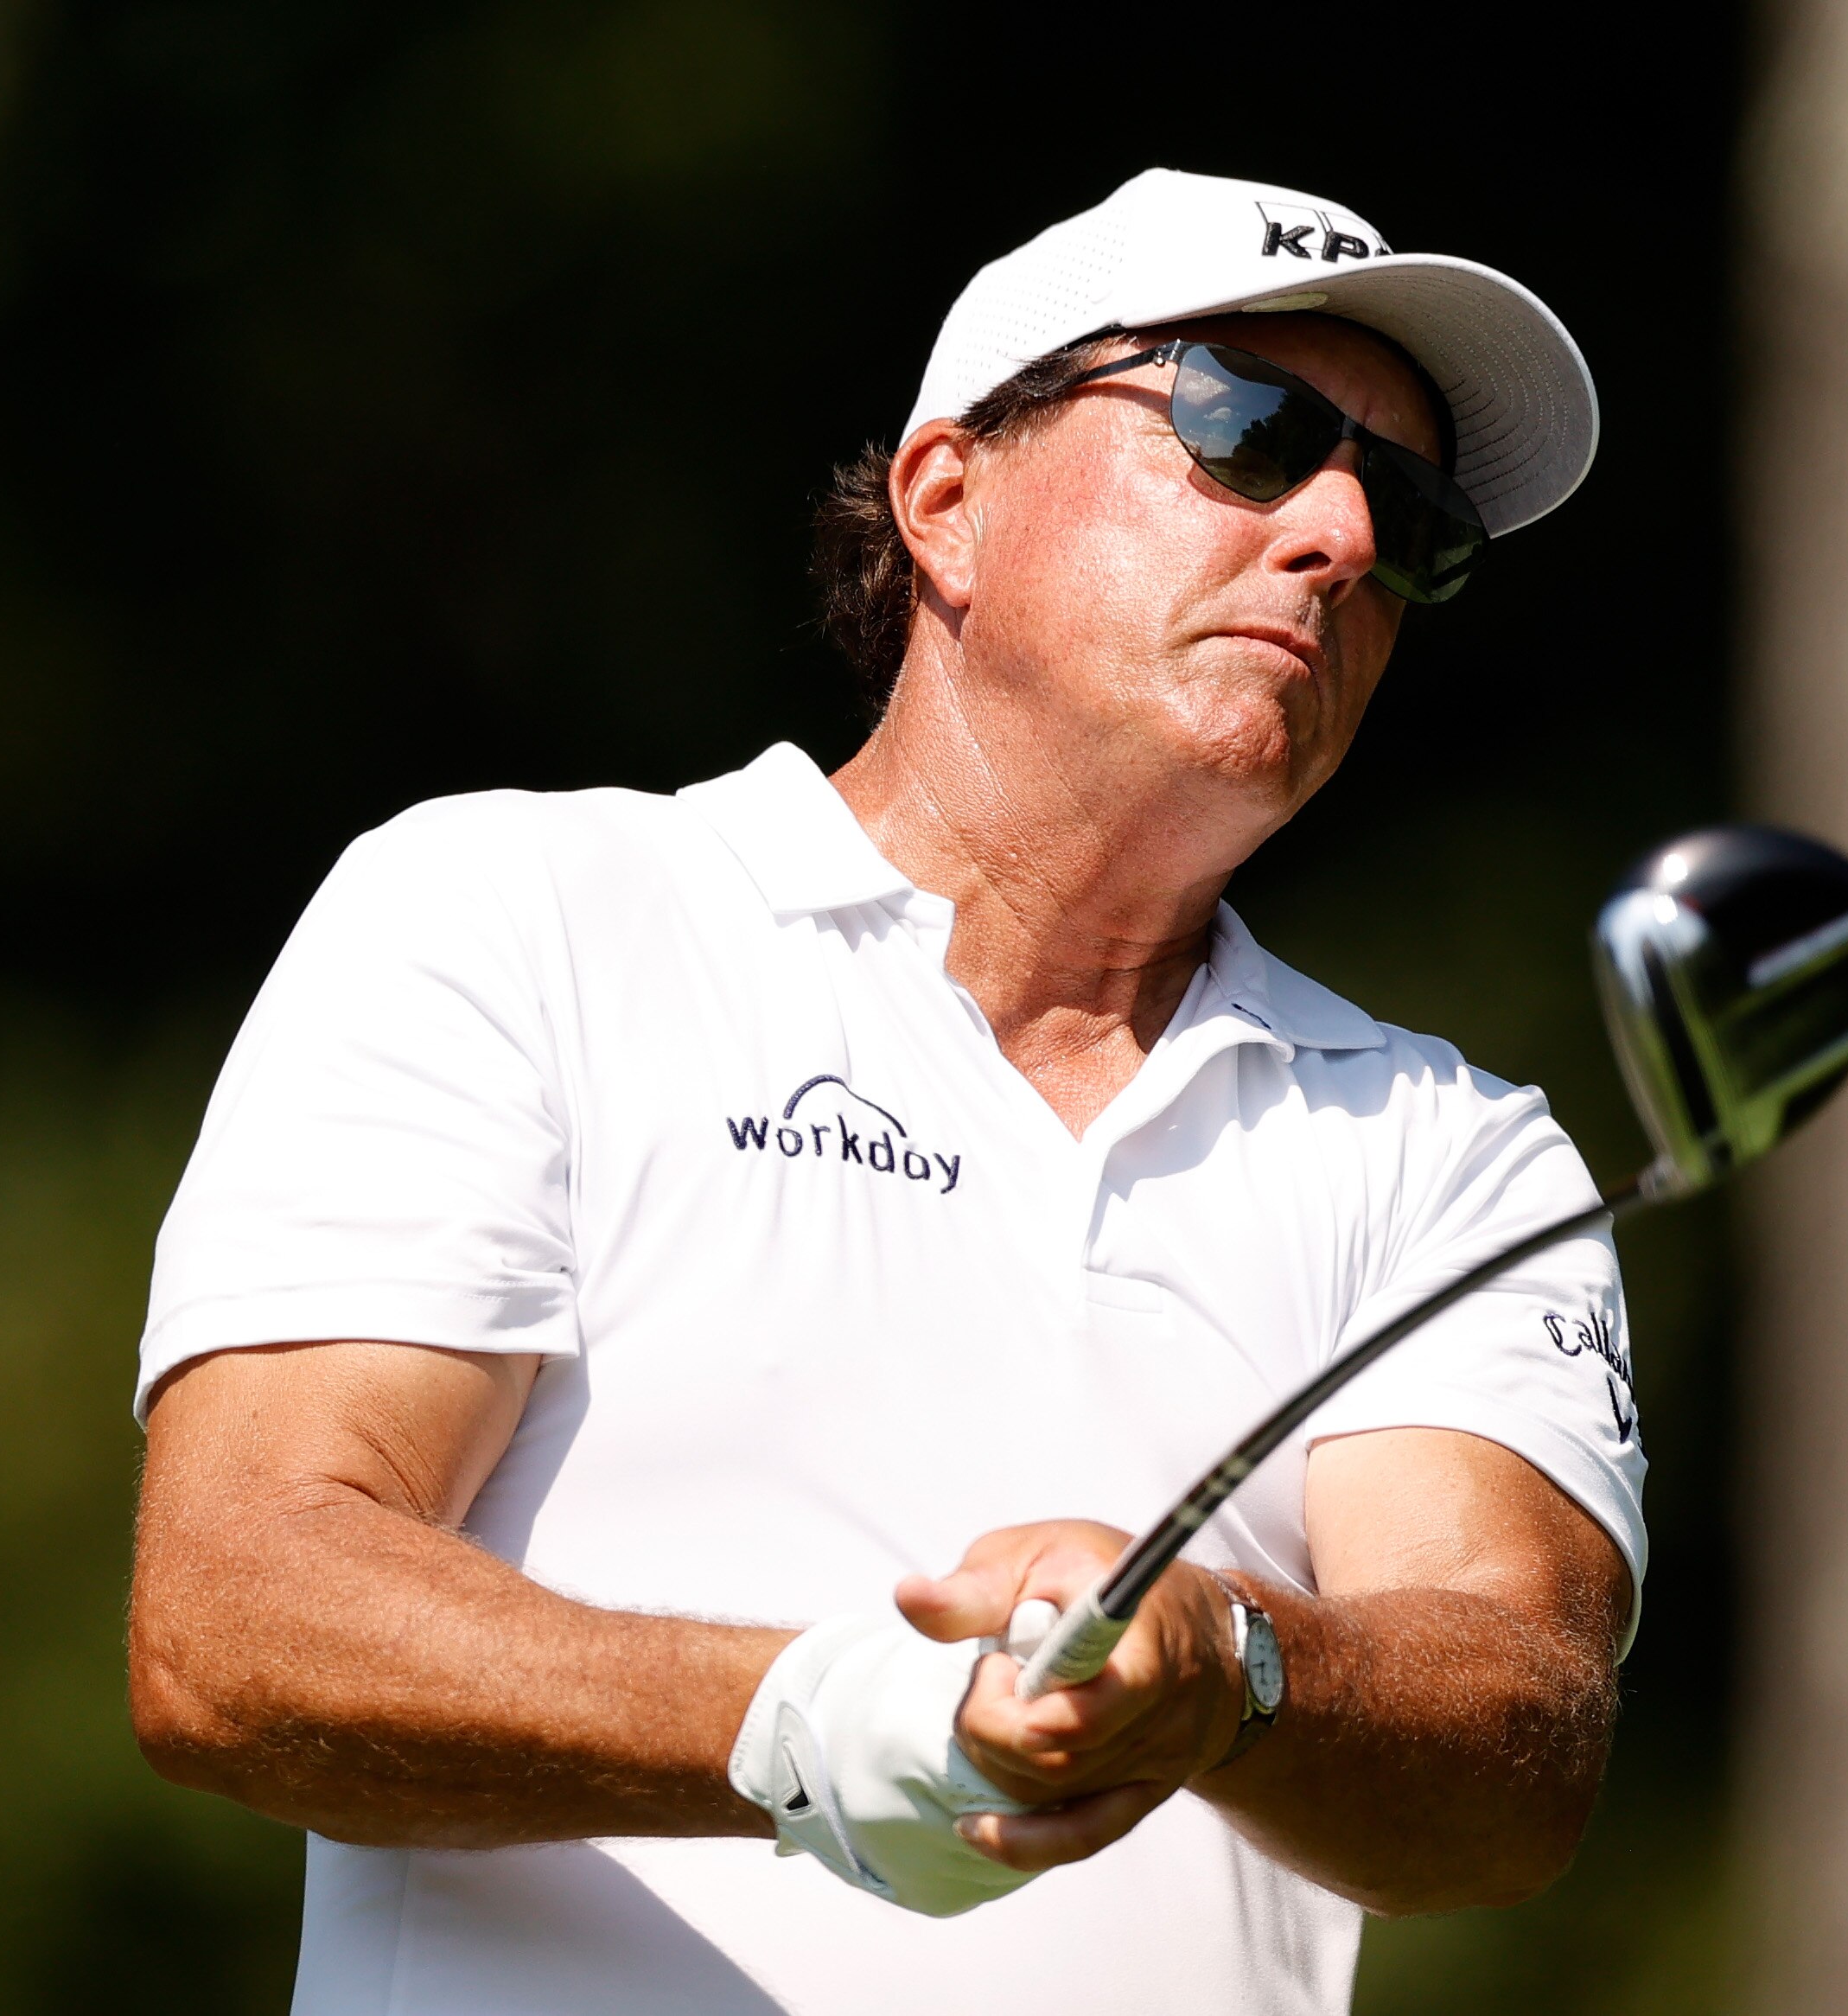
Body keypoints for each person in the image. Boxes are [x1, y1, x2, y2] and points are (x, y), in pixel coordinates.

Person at [127, 167, 1641, 2016]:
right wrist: (817, 1722)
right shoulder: (519, 913)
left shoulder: (1452, 1150)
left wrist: (1220, 1661)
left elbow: (1516, 1737)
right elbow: (237, 1613)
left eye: (1410, 511)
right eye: (1245, 426)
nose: (1337, 527)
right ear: (948, 500)